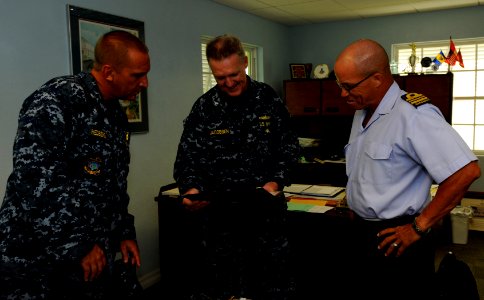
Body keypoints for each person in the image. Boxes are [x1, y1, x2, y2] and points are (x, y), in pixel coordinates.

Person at [0, 30, 150, 299]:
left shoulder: (115, 114)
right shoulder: (57, 100)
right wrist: (77, 244)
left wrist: (123, 232)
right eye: (137, 75)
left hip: (89, 258)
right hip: (37, 261)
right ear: (109, 71)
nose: (145, 83)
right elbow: (33, 182)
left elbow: (113, 185)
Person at [333, 38, 481, 300]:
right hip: (363, 232)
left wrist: (418, 227)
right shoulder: (362, 111)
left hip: (399, 237)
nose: (342, 94)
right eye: (339, 85)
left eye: (348, 86)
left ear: (377, 79)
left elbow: (465, 172)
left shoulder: (413, 114)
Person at [173, 34, 301, 300]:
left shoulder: (269, 98)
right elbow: (186, 159)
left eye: (234, 74)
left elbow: (289, 148)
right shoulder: (204, 108)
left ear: (244, 62)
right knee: (222, 289)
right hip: (220, 223)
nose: (229, 83)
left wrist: (275, 182)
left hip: (265, 217)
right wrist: (191, 188)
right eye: (220, 77)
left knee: (272, 287)